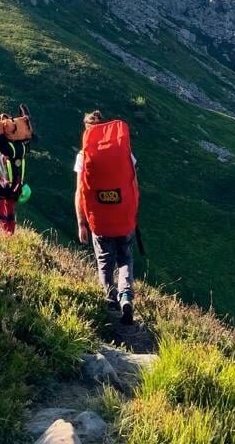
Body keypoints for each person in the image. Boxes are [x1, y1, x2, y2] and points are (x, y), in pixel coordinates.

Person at [74, 110, 139, 325]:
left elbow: (79, 191)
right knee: (125, 258)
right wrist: (131, 210)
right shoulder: (122, 150)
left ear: (86, 130)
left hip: (99, 219)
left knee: (104, 259)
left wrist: (81, 222)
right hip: (123, 216)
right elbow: (134, 183)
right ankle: (126, 296)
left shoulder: (83, 155)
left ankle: (111, 299)